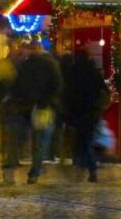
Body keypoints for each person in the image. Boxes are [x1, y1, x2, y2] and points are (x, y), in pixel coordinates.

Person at [15, 39, 62, 184]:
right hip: (46, 106)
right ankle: (36, 169)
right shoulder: (51, 64)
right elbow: (57, 85)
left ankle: (35, 167)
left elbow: (19, 85)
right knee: (43, 139)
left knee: (36, 139)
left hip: (30, 107)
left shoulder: (26, 65)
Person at [65, 49, 105, 182]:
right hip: (91, 112)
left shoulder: (72, 72)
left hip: (76, 112)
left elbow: (67, 93)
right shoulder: (94, 72)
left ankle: (80, 167)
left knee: (79, 141)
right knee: (87, 141)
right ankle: (91, 169)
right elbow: (103, 90)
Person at [0, 39, 26, 186]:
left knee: (11, 132)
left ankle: (10, 158)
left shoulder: (7, 65)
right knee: (12, 132)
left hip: (10, 104)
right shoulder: (17, 65)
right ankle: (11, 158)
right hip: (13, 104)